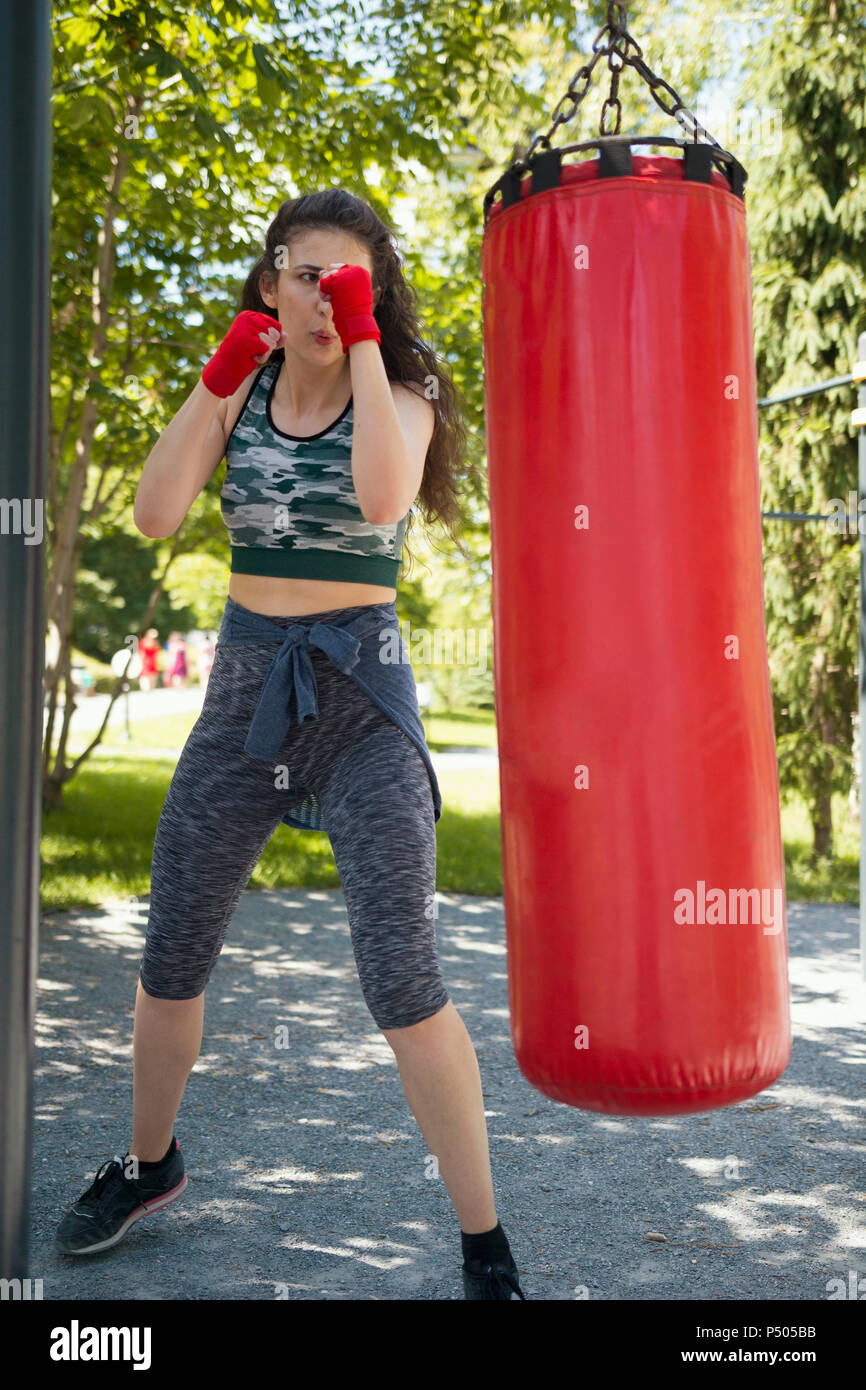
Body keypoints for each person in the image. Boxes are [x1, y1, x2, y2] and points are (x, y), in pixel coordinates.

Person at [54, 189, 523, 1301]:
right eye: (305, 274)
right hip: (242, 693)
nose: (324, 295)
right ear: (269, 283)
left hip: (360, 700)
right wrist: (218, 377)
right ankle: (150, 1161)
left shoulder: (404, 391)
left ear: (372, 291)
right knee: (170, 957)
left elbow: (375, 497)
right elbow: (156, 513)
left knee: (402, 977)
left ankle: (484, 1241)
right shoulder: (245, 390)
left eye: (348, 278)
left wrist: (364, 338)